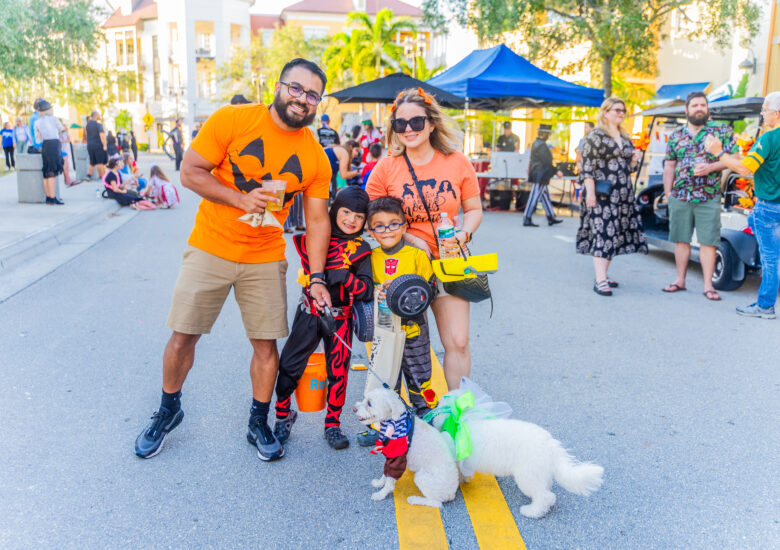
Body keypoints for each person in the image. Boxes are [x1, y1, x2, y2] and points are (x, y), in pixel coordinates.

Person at [133, 58, 333, 462]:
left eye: (312, 94)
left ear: (318, 103)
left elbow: (316, 220)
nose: (302, 99)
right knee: (183, 334)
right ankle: (168, 409)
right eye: (296, 88)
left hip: (264, 256)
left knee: (265, 345)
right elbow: (190, 172)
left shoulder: (315, 157)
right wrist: (240, 198)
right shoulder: (233, 120)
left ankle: (257, 421)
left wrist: (317, 277)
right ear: (278, 86)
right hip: (211, 245)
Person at [366, 87, 483, 391]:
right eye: (400, 123)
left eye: (416, 122)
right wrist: (408, 240)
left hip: (449, 262)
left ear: (431, 123)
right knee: (396, 346)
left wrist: (463, 233)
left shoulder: (456, 162)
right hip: (403, 267)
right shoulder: (385, 169)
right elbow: (372, 219)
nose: (408, 129)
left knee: (458, 340)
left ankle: (458, 409)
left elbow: (474, 209)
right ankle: (390, 416)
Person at [274, 186, 373, 450]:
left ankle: (332, 423)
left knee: (338, 372)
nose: (351, 220)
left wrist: (347, 278)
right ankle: (282, 415)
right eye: (346, 212)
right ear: (334, 210)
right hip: (309, 312)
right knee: (289, 365)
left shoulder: (362, 250)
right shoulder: (317, 236)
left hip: (341, 319)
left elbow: (367, 290)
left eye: (359, 217)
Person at [704, 91, 780, 319]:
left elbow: (746, 170)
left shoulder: (768, 138)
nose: (763, 114)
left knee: (770, 259)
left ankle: (765, 306)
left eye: (765, 110)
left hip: (769, 208)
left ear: (776, 113)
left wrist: (718, 153)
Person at [662, 92, 737, 301]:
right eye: (695, 105)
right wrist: (668, 194)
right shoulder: (676, 135)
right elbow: (669, 165)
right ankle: (680, 280)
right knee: (680, 239)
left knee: (709, 241)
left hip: (709, 195)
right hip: (680, 196)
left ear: (707, 109)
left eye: (703, 105)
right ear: (686, 110)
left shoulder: (721, 131)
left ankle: (708, 286)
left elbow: (735, 159)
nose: (699, 109)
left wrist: (711, 166)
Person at [366, 196, 437, 417]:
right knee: (387, 374)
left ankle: (424, 411)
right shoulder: (369, 257)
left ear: (404, 226)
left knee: (419, 370)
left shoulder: (417, 255)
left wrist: (404, 289)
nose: (387, 230)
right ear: (371, 231)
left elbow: (430, 290)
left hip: (414, 326)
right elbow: (365, 289)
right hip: (385, 328)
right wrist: (378, 290)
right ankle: (387, 417)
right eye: (379, 226)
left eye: (394, 224)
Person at [576, 97, 648, 296]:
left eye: (623, 110)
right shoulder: (595, 137)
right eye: (616, 110)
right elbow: (587, 168)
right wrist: (590, 193)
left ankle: (603, 275)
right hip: (601, 194)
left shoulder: (625, 137)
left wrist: (633, 161)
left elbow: (628, 169)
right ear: (605, 113)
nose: (621, 113)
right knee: (603, 233)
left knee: (614, 233)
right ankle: (599, 280)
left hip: (622, 193)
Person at [523, 124, 563, 227]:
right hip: (540, 175)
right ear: (545, 134)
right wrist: (556, 171)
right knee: (534, 196)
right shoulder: (541, 145)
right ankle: (527, 217)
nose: (549, 136)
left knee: (545, 196)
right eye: (548, 134)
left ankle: (550, 217)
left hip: (539, 174)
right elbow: (547, 161)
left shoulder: (537, 143)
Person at [33, 99, 65, 205]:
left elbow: (38, 140)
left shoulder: (37, 122)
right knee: (52, 172)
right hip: (54, 144)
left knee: (46, 172)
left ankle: (48, 197)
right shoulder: (54, 119)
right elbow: (62, 129)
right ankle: (53, 197)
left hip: (45, 145)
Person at [85, 111, 108, 180]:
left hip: (90, 145)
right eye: (99, 115)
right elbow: (102, 135)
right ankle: (101, 177)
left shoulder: (88, 125)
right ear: (96, 116)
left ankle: (88, 176)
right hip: (98, 145)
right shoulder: (98, 125)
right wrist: (104, 145)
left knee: (92, 162)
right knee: (100, 162)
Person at [59, 120, 81, 187]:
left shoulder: (66, 133)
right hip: (61, 148)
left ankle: (68, 179)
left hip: (65, 147)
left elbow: (69, 140)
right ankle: (67, 180)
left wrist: (62, 141)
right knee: (65, 160)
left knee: (66, 160)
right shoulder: (58, 133)